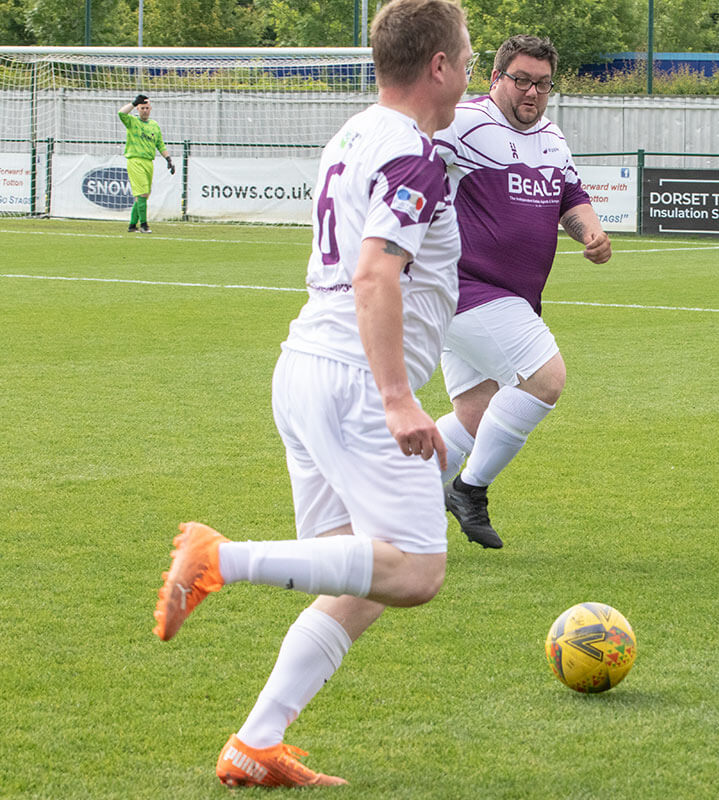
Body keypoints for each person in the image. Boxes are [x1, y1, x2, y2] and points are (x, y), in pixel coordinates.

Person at [151, 0, 473, 787]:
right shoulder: (411, 155)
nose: (470, 68)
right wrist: (399, 397)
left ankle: (255, 744)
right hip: (354, 378)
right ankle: (218, 557)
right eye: (467, 55)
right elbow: (374, 271)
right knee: (418, 570)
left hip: (306, 366)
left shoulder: (356, 134)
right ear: (438, 65)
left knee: (353, 577)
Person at [432, 35, 611, 549]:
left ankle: (386, 495)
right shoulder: (464, 122)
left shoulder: (552, 138)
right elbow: (409, 153)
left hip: (511, 296)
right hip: (466, 285)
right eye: (522, 80)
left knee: (476, 416)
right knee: (546, 378)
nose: (532, 92)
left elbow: (571, 196)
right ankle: (468, 490)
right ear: (497, 79)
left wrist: (591, 233)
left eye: (542, 84)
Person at [117, 94, 174, 233]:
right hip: (135, 161)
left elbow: (160, 144)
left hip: (149, 162)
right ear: (137, 109)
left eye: (147, 108)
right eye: (142, 108)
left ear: (151, 108)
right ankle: (144, 225)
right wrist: (132, 102)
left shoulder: (154, 125)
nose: (145, 110)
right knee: (142, 194)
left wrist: (168, 159)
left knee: (144, 195)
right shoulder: (132, 122)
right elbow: (121, 113)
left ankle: (132, 225)